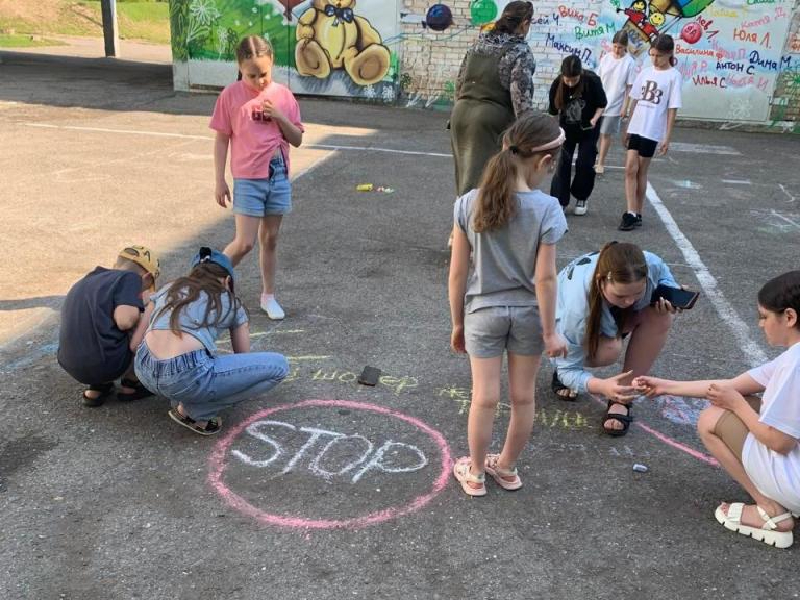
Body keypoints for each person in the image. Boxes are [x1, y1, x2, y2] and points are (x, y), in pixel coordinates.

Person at [449, 113, 569, 496]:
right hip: (529, 315)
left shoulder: (468, 203)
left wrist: (457, 323)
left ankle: (476, 475)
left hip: (482, 312)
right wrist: (550, 331)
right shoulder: (548, 208)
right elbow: (546, 278)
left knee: (484, 398)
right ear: (545, 162)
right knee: (523, 398)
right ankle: (508, 468)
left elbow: (457, 273)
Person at [636, 271, 800, 549]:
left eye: (764, 317)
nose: (761, 325)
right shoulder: (792, 357)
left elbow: (780, 442)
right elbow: (732, 385)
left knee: (713, 418)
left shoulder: (795, 364)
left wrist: (734, 402)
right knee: (745, 402)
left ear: (789, 317)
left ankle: (771, 511)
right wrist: (665, 386)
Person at [134, 248, 289, 435]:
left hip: (144, 368)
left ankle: (184, 395)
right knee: (279, 367)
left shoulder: (169, 288)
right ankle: (196, 412)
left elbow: (135, 344)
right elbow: (243, 356)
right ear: (227, 280)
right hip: (184, 376)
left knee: (198, 363)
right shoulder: (230, 302)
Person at [210, 35, 304, 320]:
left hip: (277, 176)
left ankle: (268, 296)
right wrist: (219, 179)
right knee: (245, 242)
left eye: (263, 74)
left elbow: (297, 138)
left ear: (272, 63)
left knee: (270, 239)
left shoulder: (284, 96)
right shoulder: (231, 95)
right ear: (239, 67)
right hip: (248, 178)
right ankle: (209, 283)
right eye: (251, 75)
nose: (259, 80)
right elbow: (222, 139)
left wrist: (279, 116)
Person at [550, 242, 681, 436]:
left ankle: (623, 397)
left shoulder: (648, 263)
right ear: (600, 281)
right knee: (608, 351)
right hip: (559, 324)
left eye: (637, 293)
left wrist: (671, 293)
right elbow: (567, 369)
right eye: (621, 295)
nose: (629, 302)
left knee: (661, 315)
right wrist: (601, 386)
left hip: (607, 315)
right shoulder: (576, 311)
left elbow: (663, 275)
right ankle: (566, 362)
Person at [450, 1, 536, 198]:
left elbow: (460, 82)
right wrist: (529, 135)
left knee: (464, 184)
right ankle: (472, 227)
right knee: (485, 189)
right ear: (524, 24)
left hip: (460, 115)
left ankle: (460, 224)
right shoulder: (520, 51)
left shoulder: (479, 42)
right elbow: (520, 101)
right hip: (491, 122)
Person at [57, 246, 160, 407]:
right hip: (107, 364)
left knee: (97, 320)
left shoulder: (86, 280)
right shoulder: (131, 278)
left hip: (70, 363)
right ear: (146, 277)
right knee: (148, 315)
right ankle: (132, 383)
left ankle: (98, 387)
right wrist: (144, 308)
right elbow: (124, 321)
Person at [619, 34, 681, 231]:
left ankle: (638, 211)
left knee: (641, 171)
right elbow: (635, 99)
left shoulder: (673, 76)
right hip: (637, 126)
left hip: (652, 130)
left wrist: (667, 137)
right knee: (630, 168)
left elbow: (672, 108)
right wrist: (628, 126)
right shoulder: (645, 72)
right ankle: (630, 212)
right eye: (652, 55)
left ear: (669, 54)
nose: (655, 59)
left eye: (659, 56)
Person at [548, 55, 607, 216]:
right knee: (562, 163)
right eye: (568, 80)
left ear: (580, 73)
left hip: (588, 128)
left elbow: (602, 105)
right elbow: (553, 112)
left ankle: (582, 197)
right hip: (566, 130)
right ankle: (560, 200)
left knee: (585, 163)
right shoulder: (557, 84)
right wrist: (555, 132)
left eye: (574, 80)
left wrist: (594, 120)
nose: (571, 83)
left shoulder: (592, 81)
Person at [595, 31, 635, 175]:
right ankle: (592, 157)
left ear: (625, 47)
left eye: (621, 47)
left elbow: (629, 87)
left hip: (616, 103)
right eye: (615, 46)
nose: (617, 50)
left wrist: (626, 106)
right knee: (594, 132)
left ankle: (601, 162)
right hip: (599, 101)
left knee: (605, 133)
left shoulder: (629, 62)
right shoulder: (606, 58)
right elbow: (597, 80)